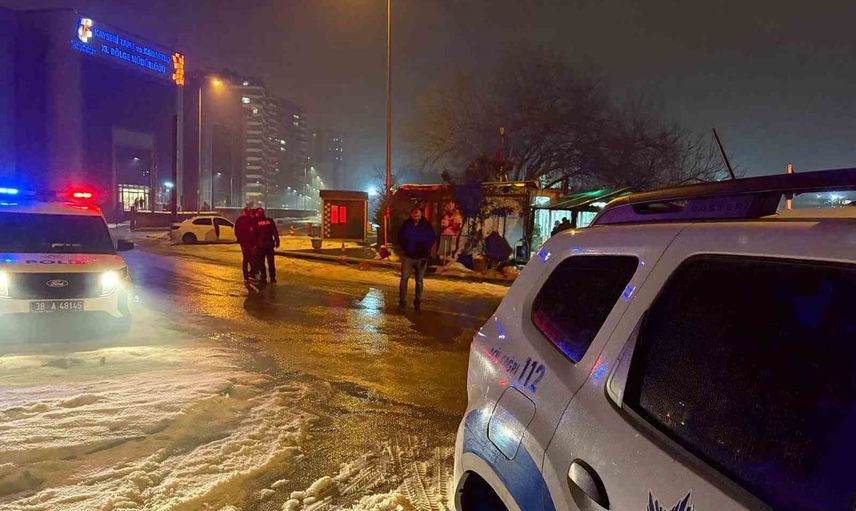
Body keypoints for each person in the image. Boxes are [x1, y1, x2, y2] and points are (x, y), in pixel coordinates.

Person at [397, 206, 436, 310]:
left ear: (421, 215)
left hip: (421, 257)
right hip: (408, 256)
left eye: (418, 215)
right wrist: (403, 248)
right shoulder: (406, 225)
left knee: (419, 281)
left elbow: (432, 238)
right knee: (404, 279)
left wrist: (426, 251)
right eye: (414, 215)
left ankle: (418, 301)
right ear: (411, 215)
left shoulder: (426, 225)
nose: (416, 217)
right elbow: (400, 237)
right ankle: (402, 301)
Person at [254, 208, 280, 284]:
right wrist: (277, 241)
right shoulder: (270, 221)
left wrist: (253, 244)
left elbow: (254, 234)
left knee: (261, 262)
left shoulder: (256, 222)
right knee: (271, 262)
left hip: (261, 245)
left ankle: (263, 278)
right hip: (270, 244)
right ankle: (272, 278)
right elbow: (275, 231)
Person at [234, 208, 258, 281]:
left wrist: (239, 239)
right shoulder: (251, 220)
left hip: (244, 242)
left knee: (246, 258)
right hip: (250, 243)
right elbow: (255, 231)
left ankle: (246, 276)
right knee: (251, 258)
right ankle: (252, 273)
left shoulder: (239, 220)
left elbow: (236, 230)